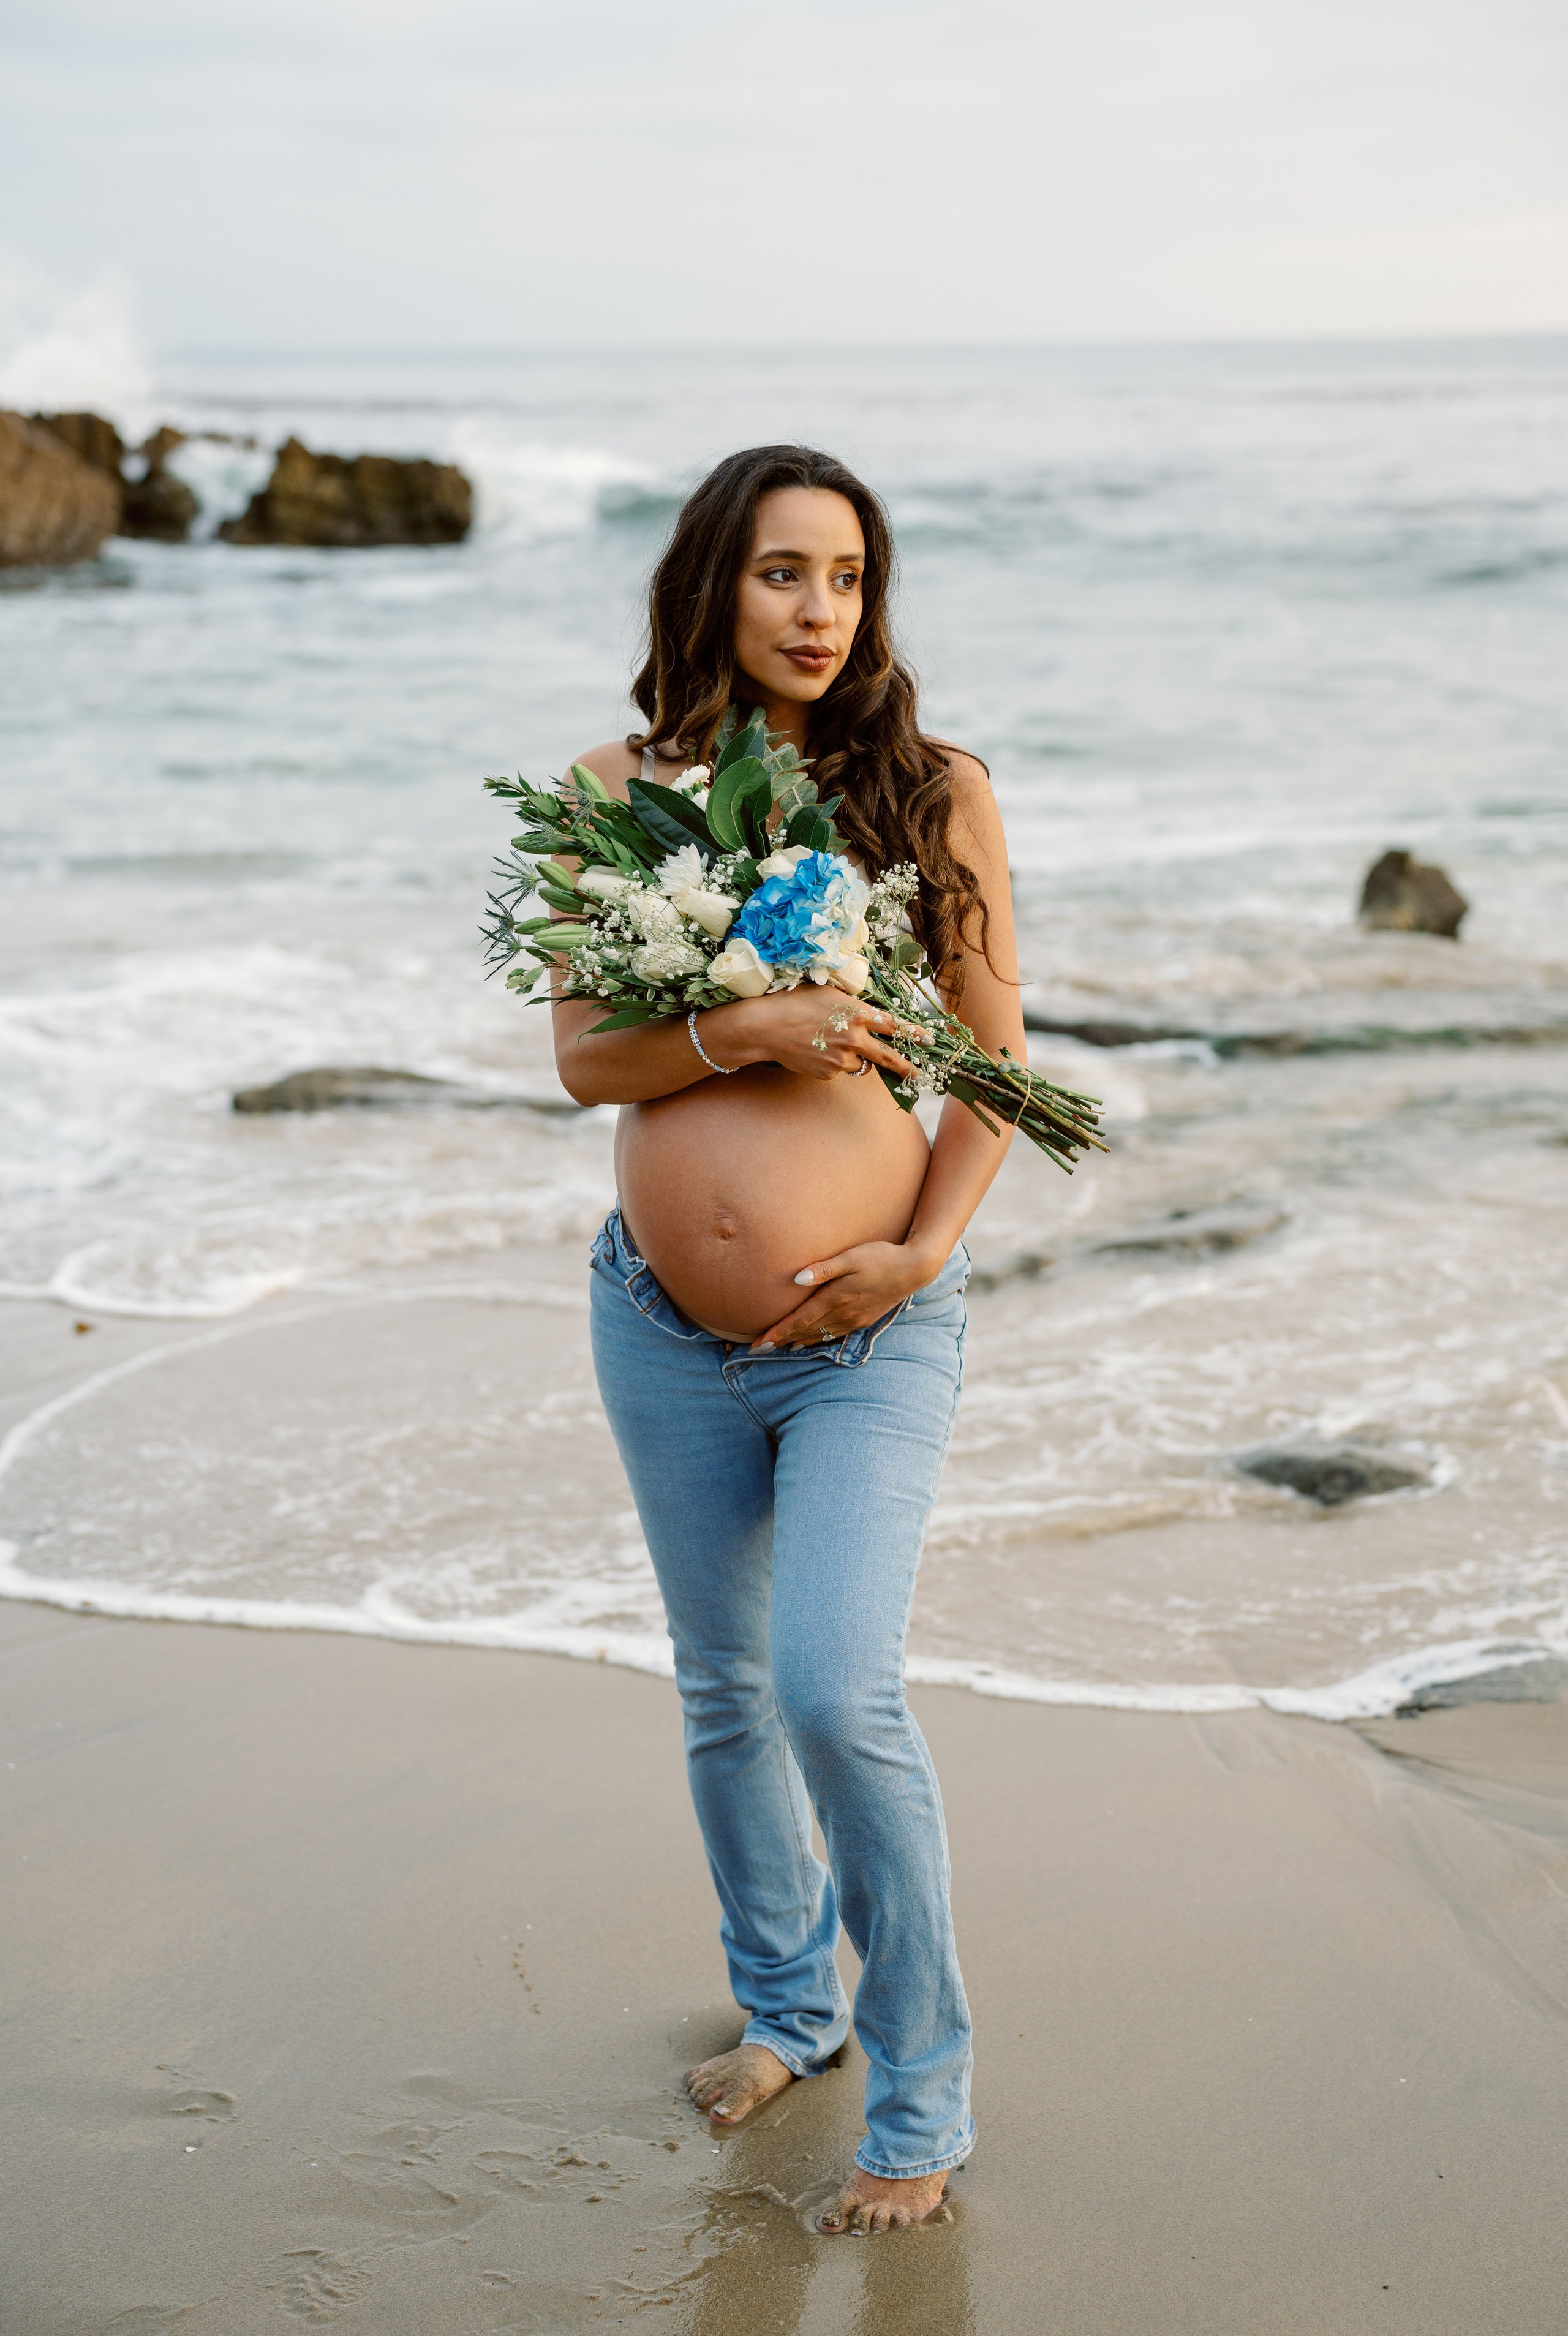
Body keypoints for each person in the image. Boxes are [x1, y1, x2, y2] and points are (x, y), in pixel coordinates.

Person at [551, 443, 1024, 2236]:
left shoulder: (933, 791)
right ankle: (787, 2009)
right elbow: (590, 1054)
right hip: (659, 1326)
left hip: (868, 1335)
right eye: (781, 575)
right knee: (725, 1691)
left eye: (846, 577)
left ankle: (923, 2089)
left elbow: (996, 1071)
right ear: (711, 585)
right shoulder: (617, 791)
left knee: (836, 1687)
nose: (820, 612)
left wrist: (916, 1254)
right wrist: (744, 1030)